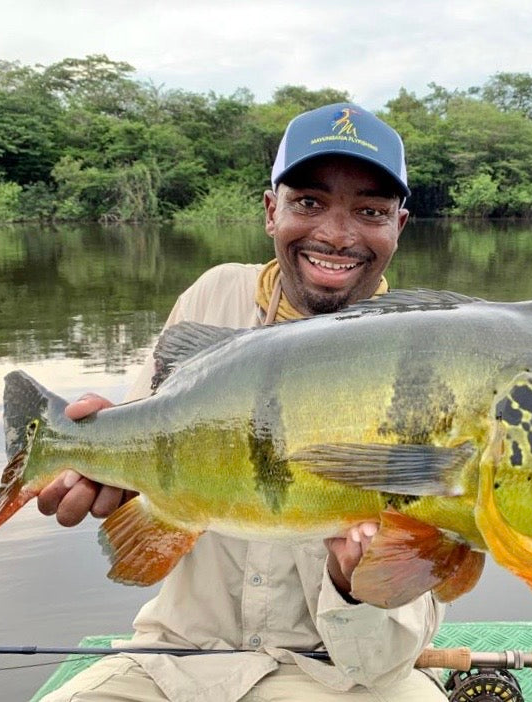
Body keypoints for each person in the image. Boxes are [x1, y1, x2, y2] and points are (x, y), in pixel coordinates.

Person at [38, 104, 448, 702]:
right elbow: (147, 451)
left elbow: (387, 655)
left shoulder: (433, 356)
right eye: (308, 202)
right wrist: (97, 460)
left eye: (370, 211)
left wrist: (357, 582)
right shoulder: (213, 294)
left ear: (399, 227)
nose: (337, 234)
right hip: (175, 660)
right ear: (270, 211)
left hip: (342, 672)